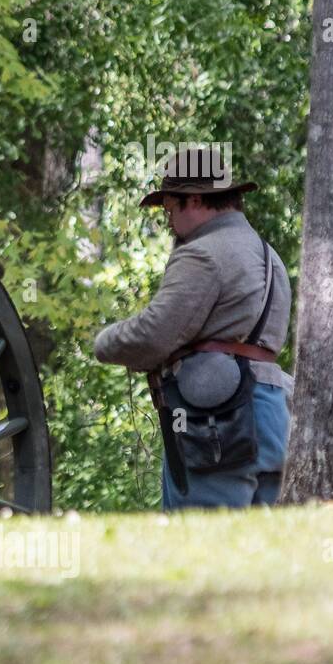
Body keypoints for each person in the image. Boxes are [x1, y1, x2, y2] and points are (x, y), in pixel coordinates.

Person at [94, 149, 293, 510]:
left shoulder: (202, 253)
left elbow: (154, 335)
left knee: (205, 543)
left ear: (196, 199)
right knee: (262, 547)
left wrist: (104, 340)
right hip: (271, 413)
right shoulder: (269, 255)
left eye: (170, 209)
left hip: (219, 423)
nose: (169, 222)